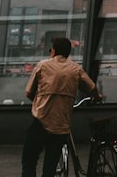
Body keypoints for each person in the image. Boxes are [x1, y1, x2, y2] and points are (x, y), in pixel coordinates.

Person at [22, 36, 99, 177]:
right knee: (50, 166)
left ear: (54, 51)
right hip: (61, 125)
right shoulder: (76, 69)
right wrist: (97, 97)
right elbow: (92, 88)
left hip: (41, 121)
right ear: (68, 53)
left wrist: (40, 100)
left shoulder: (42, 66)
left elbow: (28, 92)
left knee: (29, 161)